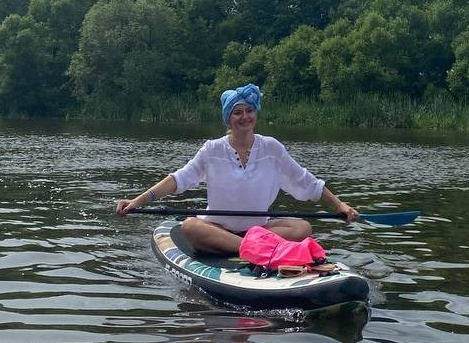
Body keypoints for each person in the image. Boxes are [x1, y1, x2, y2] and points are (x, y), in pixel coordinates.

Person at [114, 84, 358, 256]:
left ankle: (248, 246)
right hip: (217, 230)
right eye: (237, 112)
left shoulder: (272, 148)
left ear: (256, 114)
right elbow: (178, 179)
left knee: (303, 227)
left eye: (249, 111)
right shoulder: (212, 149)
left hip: (261, 230)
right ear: (228, 119)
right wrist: (137, 201)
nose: (244, 117)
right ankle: (253, 249)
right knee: (190, 227)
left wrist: (339, 206)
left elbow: (306, 181)